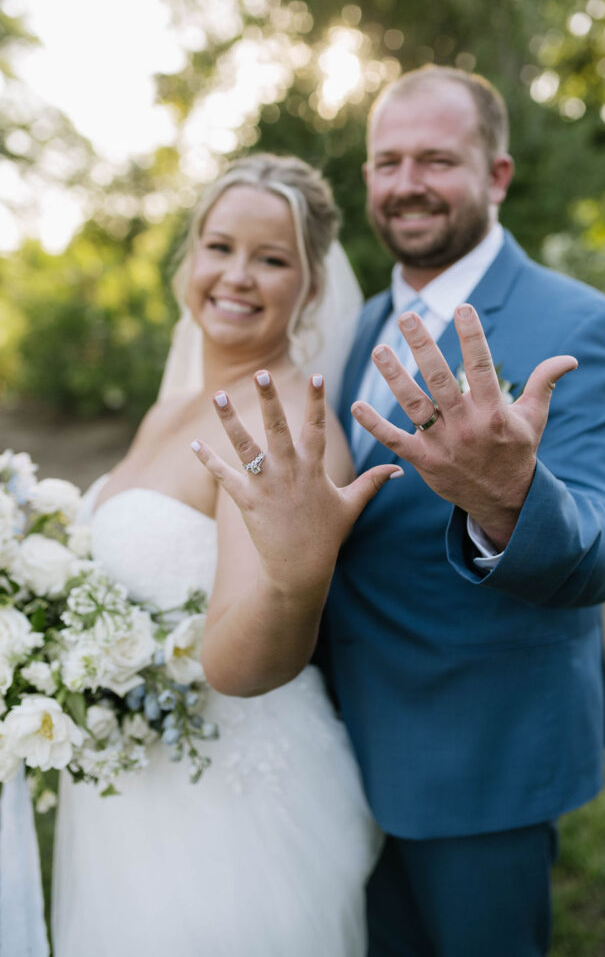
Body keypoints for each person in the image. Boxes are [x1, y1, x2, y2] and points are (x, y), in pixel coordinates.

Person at [196, 68, 605, 956]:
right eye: (386, 161)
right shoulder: (356, 322)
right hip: (336, 742)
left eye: (437, 159)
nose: (406, 183)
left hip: (482, 751)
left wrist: (509, 496)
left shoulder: (585, 325)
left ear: (497, 175)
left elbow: (604, 551)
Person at [51, 154, 396, 957]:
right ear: (189, 261)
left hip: (229, 805)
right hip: (129, 784)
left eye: (272, 259)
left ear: (309, 287)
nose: (237, 276)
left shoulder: (283, 432)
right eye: (218, 246)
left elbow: (243, 666)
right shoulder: (168, 409)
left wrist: (293, 574)